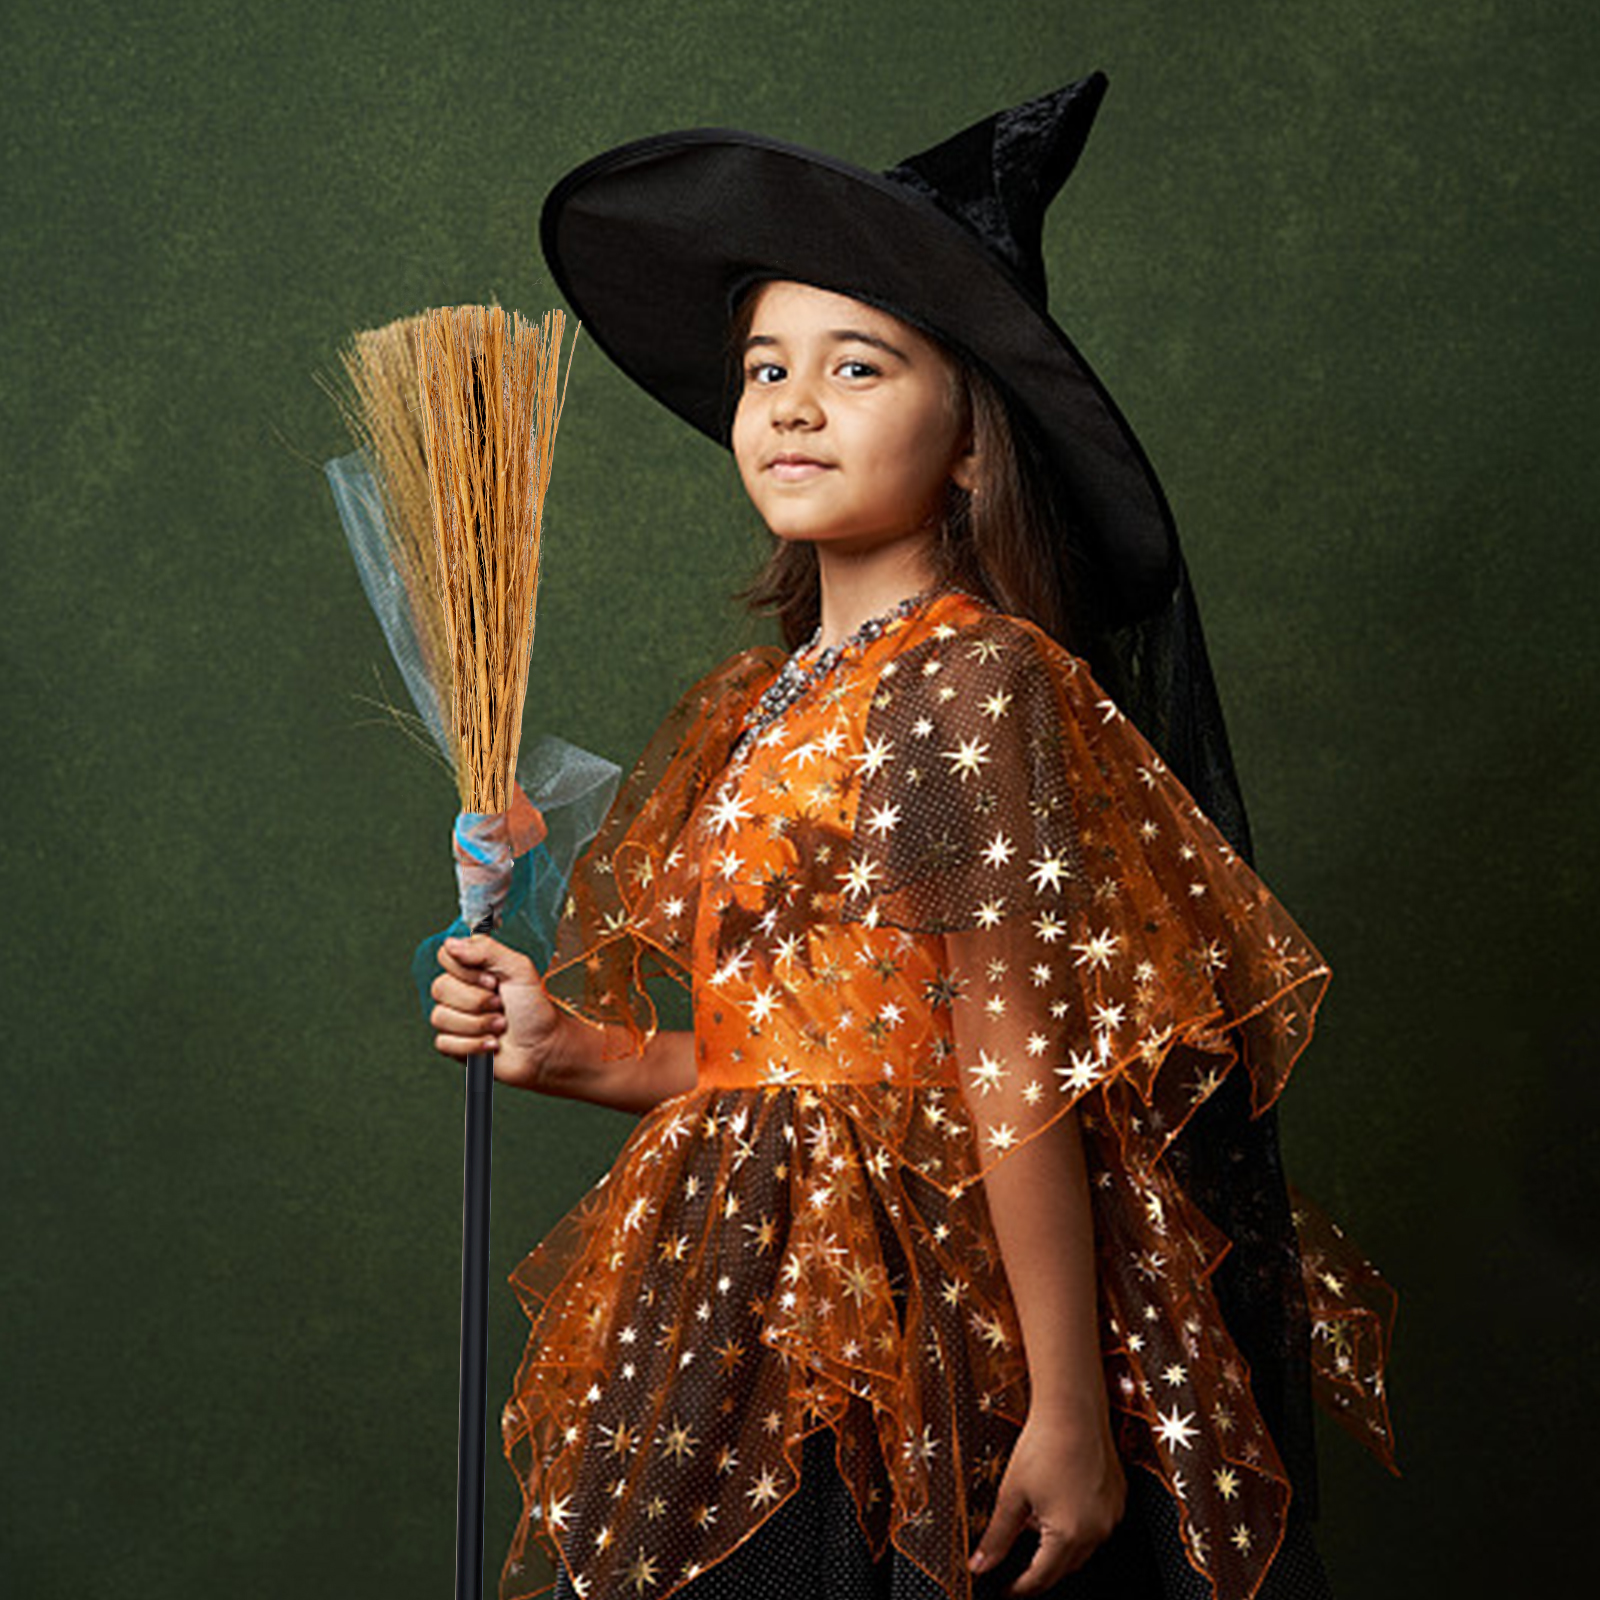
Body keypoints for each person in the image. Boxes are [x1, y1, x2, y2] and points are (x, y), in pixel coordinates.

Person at [428, 77, 1394, 1600]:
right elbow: (779, 1054)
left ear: (971, 445)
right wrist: (579, 1051)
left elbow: (1009, 1046)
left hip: (918, 1307)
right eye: (766, 368)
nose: (792, 404)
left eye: (857, 367)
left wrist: (1070, 1406)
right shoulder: (765, 700)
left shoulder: (967, 677)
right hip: (744, 1291)